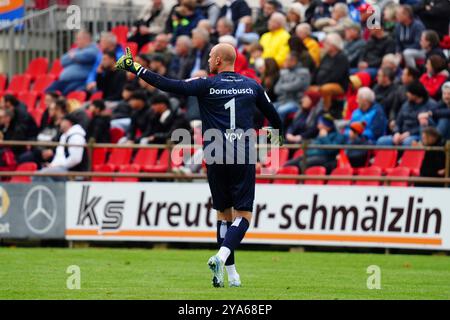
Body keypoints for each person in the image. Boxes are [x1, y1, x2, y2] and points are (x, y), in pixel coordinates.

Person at [116, 43, 282, 288]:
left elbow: (169, 84)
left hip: (215, 154)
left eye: (210, 56)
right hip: (242, 154)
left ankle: (229, 274)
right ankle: (222, 258)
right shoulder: (252, 85)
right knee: (243, 215)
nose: (207, 61)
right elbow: (273, 115)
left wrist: (136, 68)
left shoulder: (207, 84)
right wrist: (274, 138)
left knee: (223, 215)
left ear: (217, 61)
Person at [377, 81, 436, 146]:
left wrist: (409, 133)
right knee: (381, 141)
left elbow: (429, 126)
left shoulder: (431, 105)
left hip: (417, 135)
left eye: (409, 93)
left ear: (415, 94)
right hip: (402, 134)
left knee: (407, 142)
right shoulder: (405, 105)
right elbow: (398, 122)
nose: (406, 94)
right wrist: (396, 133)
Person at [33, 113, 87, 182]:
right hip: (62, 168)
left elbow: (75, 159)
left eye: (62, 121)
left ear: (68, 122)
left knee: (41, 175)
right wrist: (53, 165)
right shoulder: (64, 136)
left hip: (73, 171)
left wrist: (58, 166)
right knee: (39, 174)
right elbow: (59, 156)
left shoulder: (76, 137)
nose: (59, 123)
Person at [46, 30, 99, 95]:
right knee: (48, 92)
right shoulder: (76, 50)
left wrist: (75, 56)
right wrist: (76, 57)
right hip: (66, 81)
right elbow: (63, 60)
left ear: (86, 39)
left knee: (65, 94)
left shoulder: (94, 49)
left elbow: (88, 56)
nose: (76, 42)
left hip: (81, 81)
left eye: (78, 39)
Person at [312, 33, 349, 113]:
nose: (324, 45)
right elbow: (318, 70)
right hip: (322, 83)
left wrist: (321, 85)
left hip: (339, 85)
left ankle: (325, 110)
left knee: (325, 89)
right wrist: (312, 83)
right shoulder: (326, 56)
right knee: (308, 88)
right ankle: (312, 112)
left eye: (327, 43)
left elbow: (337, 76)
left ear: (334, 45)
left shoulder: (341, 57)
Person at [273, 52, 311, 121]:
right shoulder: (284, 72)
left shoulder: (304, 73)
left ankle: (279, 131)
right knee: (269, 108)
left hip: (297, 102)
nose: (285, 62)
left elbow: (294, 86)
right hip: (283, 100)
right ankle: (269, 131)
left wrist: (282, 86)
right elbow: (276, 89)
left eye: (287, 60)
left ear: (294, 61)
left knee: (280, 111)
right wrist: (285, 87)